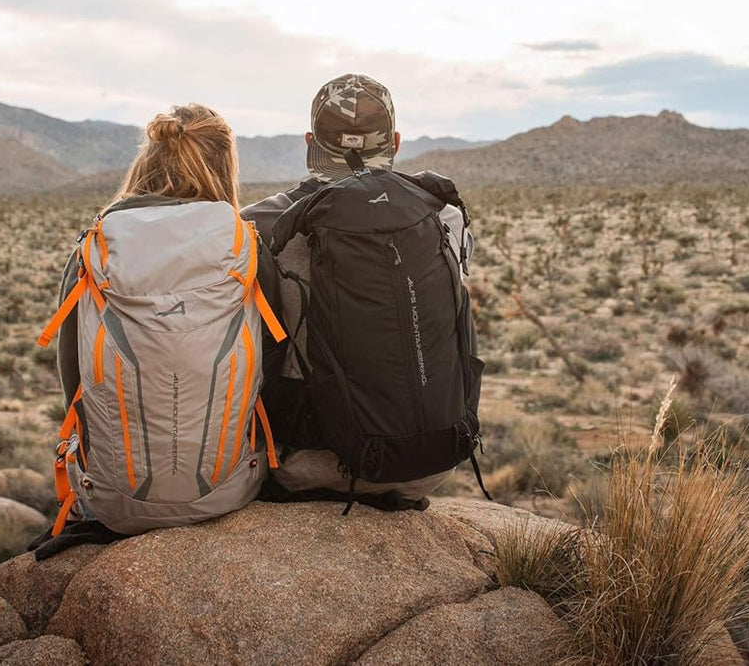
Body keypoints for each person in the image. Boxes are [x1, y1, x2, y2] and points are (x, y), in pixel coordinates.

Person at [31, 104, 285, 557]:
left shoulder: (98, 245)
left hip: (113, 503)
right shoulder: (243, 244)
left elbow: (73, 376)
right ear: (224, 164)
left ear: (148, 158)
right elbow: (271, 364)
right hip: (228, 491)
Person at [244, 75, 477, 508]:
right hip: (429, 465)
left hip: (304, 469)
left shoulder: (257, 225)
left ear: (310, 142)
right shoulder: (443, 214)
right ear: (396, 142)